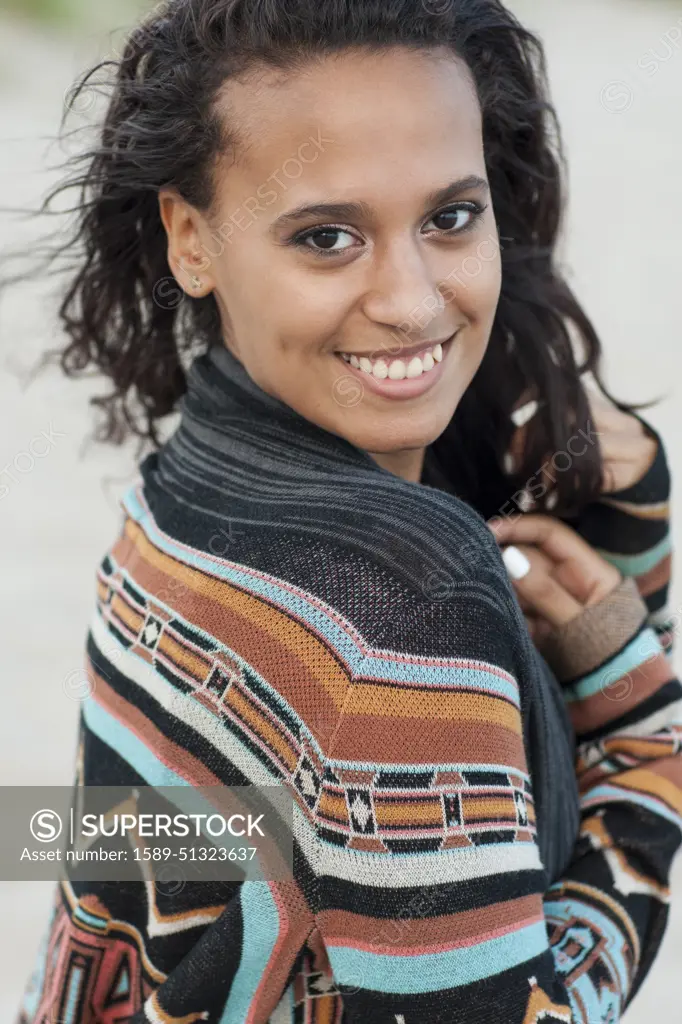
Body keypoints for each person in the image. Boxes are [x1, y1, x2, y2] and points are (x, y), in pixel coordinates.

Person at [13, 1, 680, 1021]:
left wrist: (627, 518)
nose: (411, 300)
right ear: (190, 240)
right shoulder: (410, 606)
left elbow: (82, 845)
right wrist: (644, 735)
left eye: (450, 217)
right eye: (327, 236)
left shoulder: (182, 487)